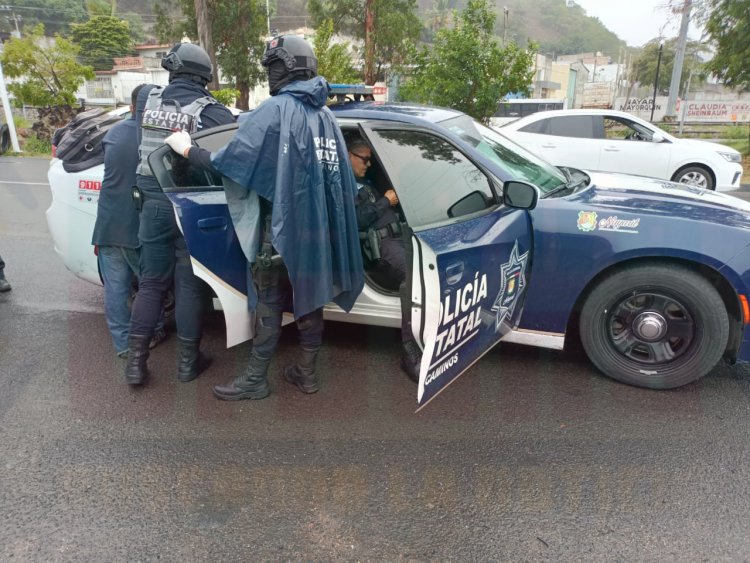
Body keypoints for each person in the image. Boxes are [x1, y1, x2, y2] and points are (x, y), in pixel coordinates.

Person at [164, 34, 365, 401]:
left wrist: (187, 149)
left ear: (289, 67)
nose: (269, 74)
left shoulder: (275, 111)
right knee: (311, 299)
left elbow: (229, 161)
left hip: (282, 231)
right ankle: (306, 373)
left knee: (270, 303)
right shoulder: (327, 117)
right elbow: (343, 185)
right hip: (320, 233)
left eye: (273, 66)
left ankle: (256, 379)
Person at [124, 42, 235, 386]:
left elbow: (139, 99)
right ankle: (188, 363)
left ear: (173, 70)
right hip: (189, 209)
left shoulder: (147, 99)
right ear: (204, 77)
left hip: (152, 205)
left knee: (151, 284)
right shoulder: (213, 112)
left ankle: (135, 364)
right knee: (188, 286)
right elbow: (229, 154)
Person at [91, 84, 167, 358]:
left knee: (115, 288)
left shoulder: (112, 133)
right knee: (150, 284)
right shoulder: (156, 136)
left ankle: (123, 345)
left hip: (109, 223)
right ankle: (155, 330)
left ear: (132, 106)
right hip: (138, 226)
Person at [347, 137, 421, 382]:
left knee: (430, 271)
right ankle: (410, 353)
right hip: (380, 247)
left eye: (370, 160)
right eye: (364, 159)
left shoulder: (364, 183)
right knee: (414, 282)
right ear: (348, 156)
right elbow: (355, 221)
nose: (368, 165)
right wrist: (385, 202)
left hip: (397, 238)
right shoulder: (343, 185)